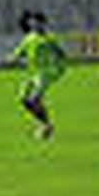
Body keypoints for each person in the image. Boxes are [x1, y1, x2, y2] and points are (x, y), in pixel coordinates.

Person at [9, 10, 67, 139]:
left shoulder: (49, 39)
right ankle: (44, 124)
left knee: (34, 99)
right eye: (33, 22)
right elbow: (19, 51)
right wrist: (13, 58)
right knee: (23, 99)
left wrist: (59, 68)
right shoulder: (29, 38)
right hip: (32, 73)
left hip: (45, 73)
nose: (35, 25)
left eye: (38, 22)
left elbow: (61, 54)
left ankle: (46, 126)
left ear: (43, 24)